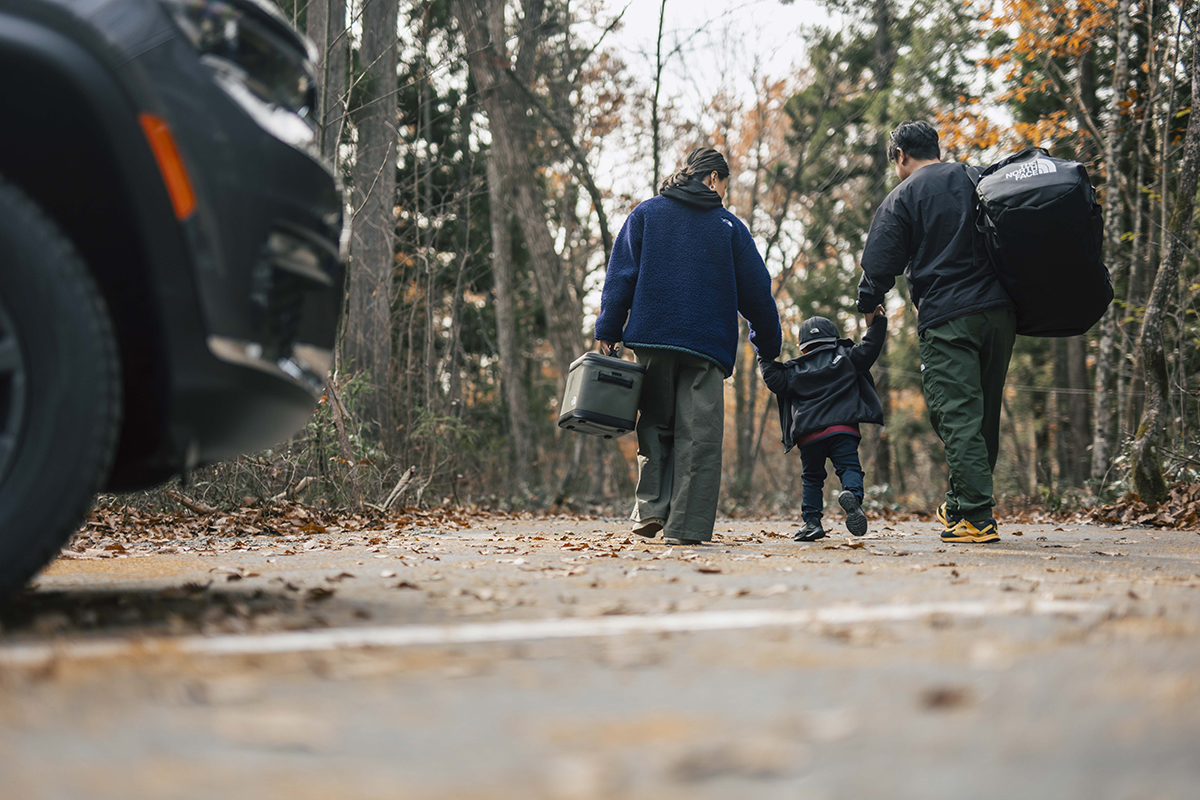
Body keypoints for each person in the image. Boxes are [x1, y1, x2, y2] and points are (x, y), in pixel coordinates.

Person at [595, 147, 781, 545]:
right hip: (705, 346)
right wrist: (768, 343)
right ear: (714, 178)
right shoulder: (729, 227)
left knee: (656, 425)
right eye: (726, 184)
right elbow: (758, 295)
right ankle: (686, 527)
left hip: (651, 340)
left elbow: (620, 275)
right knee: (699, 437)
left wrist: (609, 326)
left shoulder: (646, 214)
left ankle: (650, 510)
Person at [857, 120, 1015, 544]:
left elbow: (878, 264)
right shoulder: (976, 176)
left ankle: (978, 519)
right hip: (1000, 313)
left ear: (901, 156)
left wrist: (868, 305)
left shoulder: (904, 195)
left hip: (949, 317)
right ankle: (962, 506)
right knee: (983, 416)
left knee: (957, 415)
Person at [759, 311, 887, 541]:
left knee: (812, 478)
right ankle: (852, 496)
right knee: (849, 468)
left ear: (802, 347)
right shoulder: (847, 356)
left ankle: (812, 523)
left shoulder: (792, 371)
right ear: (834, 339)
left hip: (809, 434)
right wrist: (878, 321)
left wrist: (762, 352)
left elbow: (772, 377)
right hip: (843, 430)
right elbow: (871, 346)